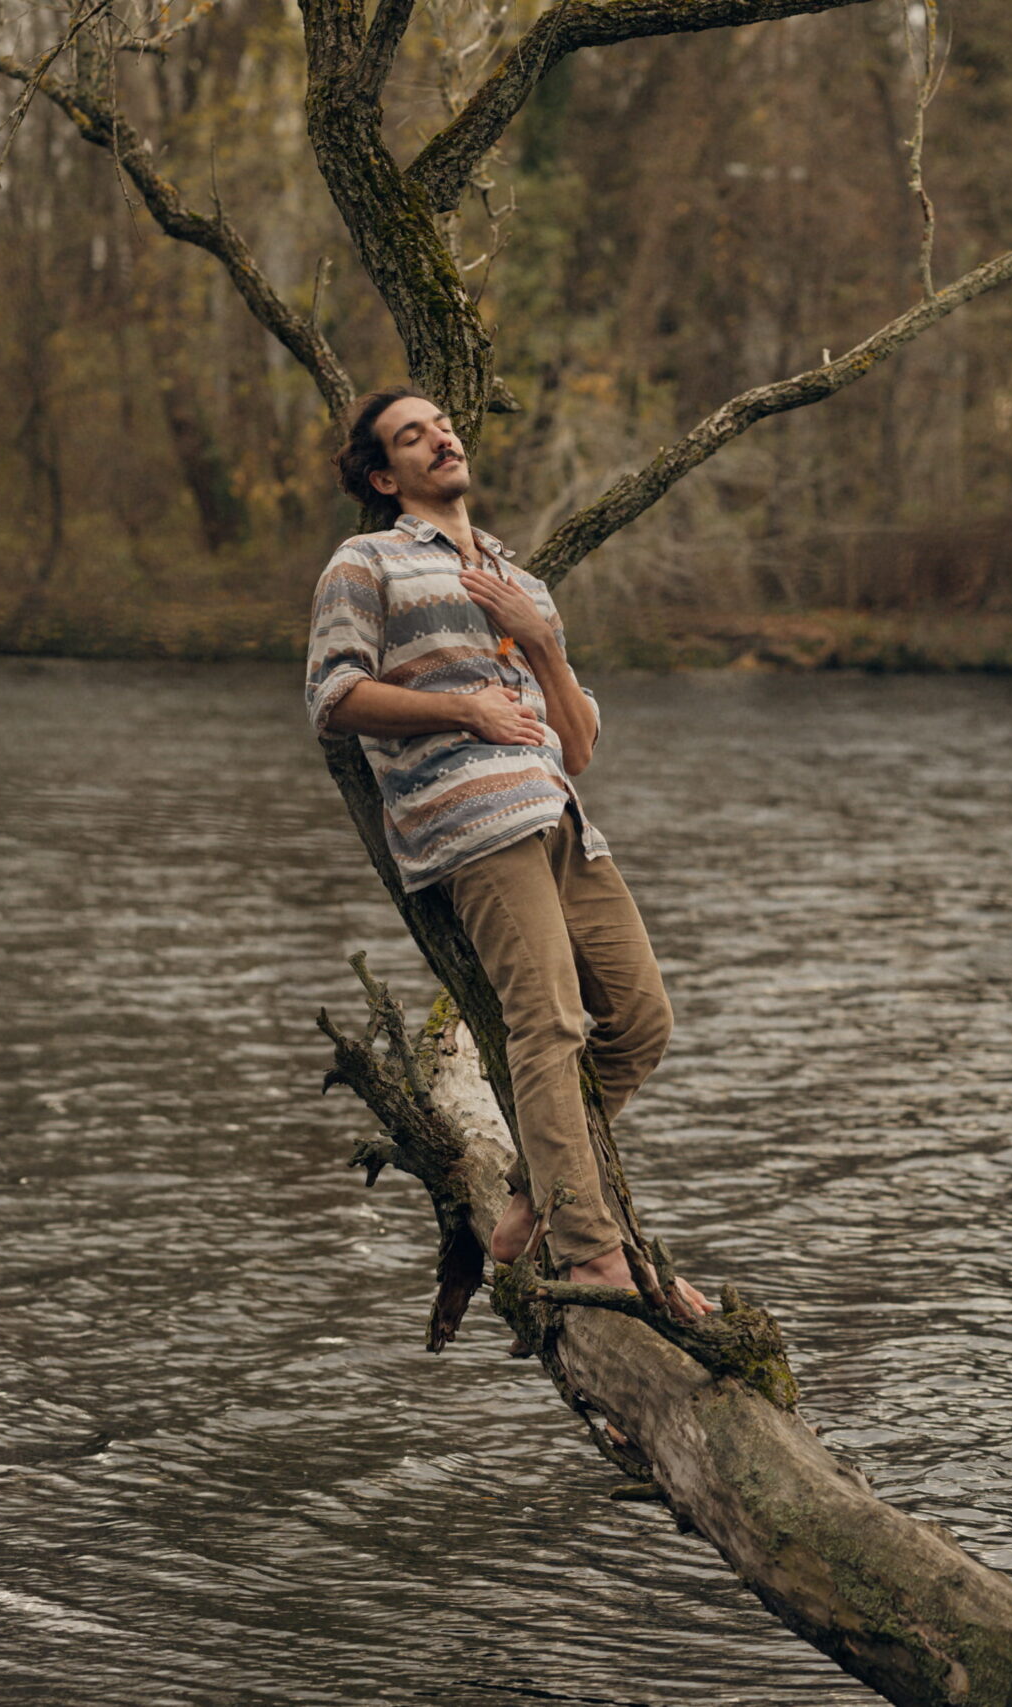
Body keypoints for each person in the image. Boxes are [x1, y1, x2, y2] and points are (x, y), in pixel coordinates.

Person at [304, 389, 705, 1317]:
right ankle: (592, 1252)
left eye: (443, 424)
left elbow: (579, 743)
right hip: (472, 824)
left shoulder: (520, 581)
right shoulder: (367, 562)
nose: (441, 437)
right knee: (551, 1022)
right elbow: (331, 697)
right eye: (414, 435)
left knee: (643, 1021)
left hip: (563, 816)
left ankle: (534, 1180)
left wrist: (541, 646)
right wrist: (466, 707)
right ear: (383, 475)